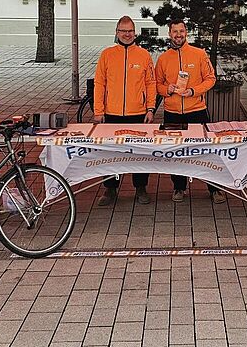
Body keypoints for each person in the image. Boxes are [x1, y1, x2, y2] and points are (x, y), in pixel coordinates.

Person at [155, 19, 224, 203]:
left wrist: (194, 91)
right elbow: (157, 85)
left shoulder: (199, 54)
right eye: (175, 31)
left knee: (207, 151)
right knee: (176, 152)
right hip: (173, 112)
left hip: (197, 111)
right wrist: (166, 90)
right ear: (169, 33)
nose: (178, 35)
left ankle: (214, 188)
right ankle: (179, 187)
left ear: (186, 32)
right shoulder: (163, 59)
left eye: (182, 31)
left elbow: (211, 79)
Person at [94, 16, 157, 206]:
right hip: (111, 114)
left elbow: (151, 83)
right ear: (117, 32)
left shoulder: (144, 55)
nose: (127, 34)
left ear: (135, 32)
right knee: (111, 153)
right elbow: (99, 83)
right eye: (123, 31)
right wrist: (98, 110)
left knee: (139, 153)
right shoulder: (107, 55)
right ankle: (110, 189)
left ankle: (140, 188)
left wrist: (151, 108)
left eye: (130, 31)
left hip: (138, 113)